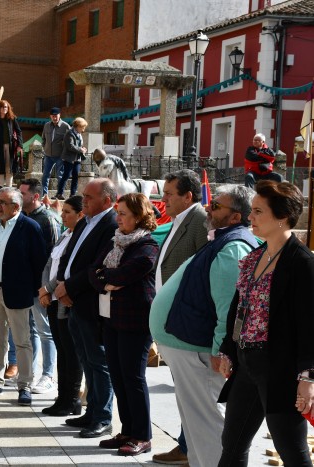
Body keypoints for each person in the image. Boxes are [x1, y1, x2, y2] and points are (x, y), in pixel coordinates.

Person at [149, 185, 258, 467]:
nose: (209, 208)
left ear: (236, 217)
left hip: (201, 352)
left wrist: (220, 350)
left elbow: (228, 306)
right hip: (188, 346)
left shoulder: (234, 245)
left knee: (207, 427)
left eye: (217, 206)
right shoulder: (223, 239)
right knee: (196, 427)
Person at [217, 181, 314, 467]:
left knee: (292, 451)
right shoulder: (254, 257)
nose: (250, 217)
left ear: (282, 216)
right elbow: (239, 308)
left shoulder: (302, 263)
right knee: (232, 445)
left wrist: (307, 378)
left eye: (258, 211)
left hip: (280, 369)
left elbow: (309, 325)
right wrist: (228, 350)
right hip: (247, 364)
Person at [89, 193, 158, 455]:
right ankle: (128, 430)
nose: (118, 218)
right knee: (118, 377)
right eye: (117, 213)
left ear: (139, 216)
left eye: (124, 214)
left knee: (133, 377)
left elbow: (128, 273)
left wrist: (106, 277)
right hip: (111, 319)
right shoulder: (114, 242)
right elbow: (92, 272)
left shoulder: (147, 245)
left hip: (136, 321)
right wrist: (107, 280)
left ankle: (142, 435)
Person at [152, 168, 208, 465]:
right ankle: (187, 446)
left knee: (191, 394)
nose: (164, 199)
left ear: (188, 196)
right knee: (184, 394)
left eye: (169, 194)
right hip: (172, 321)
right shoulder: (179, 220)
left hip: (186, 323)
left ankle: (190, 448)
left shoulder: (199, 221)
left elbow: (205, 272)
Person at [55, 178, 118, 438]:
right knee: (85, 359)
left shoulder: (111, 224)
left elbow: (98, 264)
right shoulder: (84, 222)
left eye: (89, 197)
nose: (84, 201)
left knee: (98, 361)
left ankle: (103, 416)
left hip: (90, 302)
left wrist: (68, 287)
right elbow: (68, 256)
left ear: (106, 200)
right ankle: (91, 411)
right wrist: (61, 283)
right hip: (73, 301)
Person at [0, 187, 46, 406]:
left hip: (17, 291)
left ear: (16, 207)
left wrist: (34, 291)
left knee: (22, 341)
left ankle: (24, 385)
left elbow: (39, 262)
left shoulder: (30, 227)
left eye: (3, 202)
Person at [39, 195, 85, 416]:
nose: (63, 215)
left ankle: (72, 398)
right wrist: (44, 289)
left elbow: (65, 271)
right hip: (52, 299)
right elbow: (50, 263)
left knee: (71, 352)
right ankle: (62, 396)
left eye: (68, 212)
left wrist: (47, 288)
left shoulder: (79, 237)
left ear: (80, 214)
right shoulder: (64, 235)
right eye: (63, 211)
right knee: (62, 351)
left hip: (65, 299)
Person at [19, 178, 61, 395]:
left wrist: (46, 288)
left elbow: (53, 258)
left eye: (23, 194)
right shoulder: (23, 217)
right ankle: (29, 373)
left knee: (45, 331)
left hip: (40, 287)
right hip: (24, 285)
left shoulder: (48, 219)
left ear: (35, 196)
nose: (20, 196)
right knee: (28, 331)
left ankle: (48, 375)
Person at [0, 100, 24, 187]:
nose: (4, 109)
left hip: (11, 147)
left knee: (9, 168)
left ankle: (9, 188)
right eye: (2, 107)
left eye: (6, 107)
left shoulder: (12, 119)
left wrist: (20, 145)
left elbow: (19, 131)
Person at [41, 107, 70, 197]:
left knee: (60, 176)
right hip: (48, 155)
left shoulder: (65, 126)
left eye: (56, 116)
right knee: (45, 175)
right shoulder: (46, 125)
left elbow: (70, 141)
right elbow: (43, 138)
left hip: (60, 156)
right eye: (53, 116)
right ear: (50, 116)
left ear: (59, 115)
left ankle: (60, 194)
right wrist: (45, 147)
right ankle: (44, 194)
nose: (54, 118)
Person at [56, 117, 87, 200]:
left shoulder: (79, 134)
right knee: (66, 176)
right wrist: (80, 149)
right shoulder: (69, 133)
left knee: (76, 176)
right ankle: (59, 193)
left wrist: (83, 148)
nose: (83, 129)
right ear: (78, 126)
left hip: (77, 159)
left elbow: (79, 145)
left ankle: (72, 194)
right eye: (83, 127)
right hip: (69, 159)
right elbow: (70, 146)